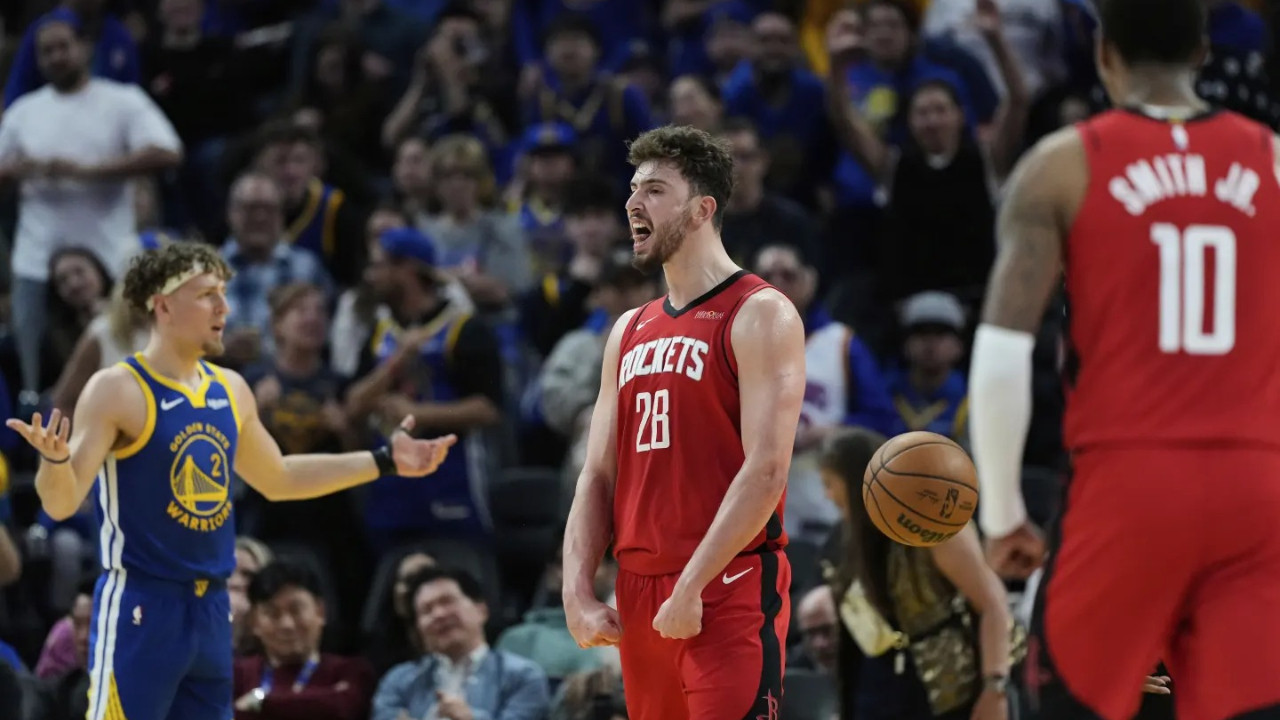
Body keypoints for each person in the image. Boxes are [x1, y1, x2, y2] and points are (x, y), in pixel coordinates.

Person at [967, 0, 1280, 719]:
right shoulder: (1272, 159)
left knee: (1069, 700)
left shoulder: (1062, 165)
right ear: (1203, 52)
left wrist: (1007, 513)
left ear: (1103, 53)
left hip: (1128, 480)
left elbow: (1003, 350)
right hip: (1257, 484)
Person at [5, 241, 457, 720]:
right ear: (163, 305)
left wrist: (384, 460)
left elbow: (279, 477)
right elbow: (60, 504)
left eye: (223, 293)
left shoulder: (230, 388)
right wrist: (54, 463)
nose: (224, 307)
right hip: (143, 603)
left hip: (212, 606)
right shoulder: (117, 388)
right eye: (206, 295)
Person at [561, 124, 806, 720]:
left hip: (726, 584)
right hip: (640, 590)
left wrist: (693, 584)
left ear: (702, 209)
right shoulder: (626, 330)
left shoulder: (760, 313)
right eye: (632, 189)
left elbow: (766, 469)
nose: (632, 203)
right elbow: (596, 475)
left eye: (654, 190)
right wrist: (577, 592)